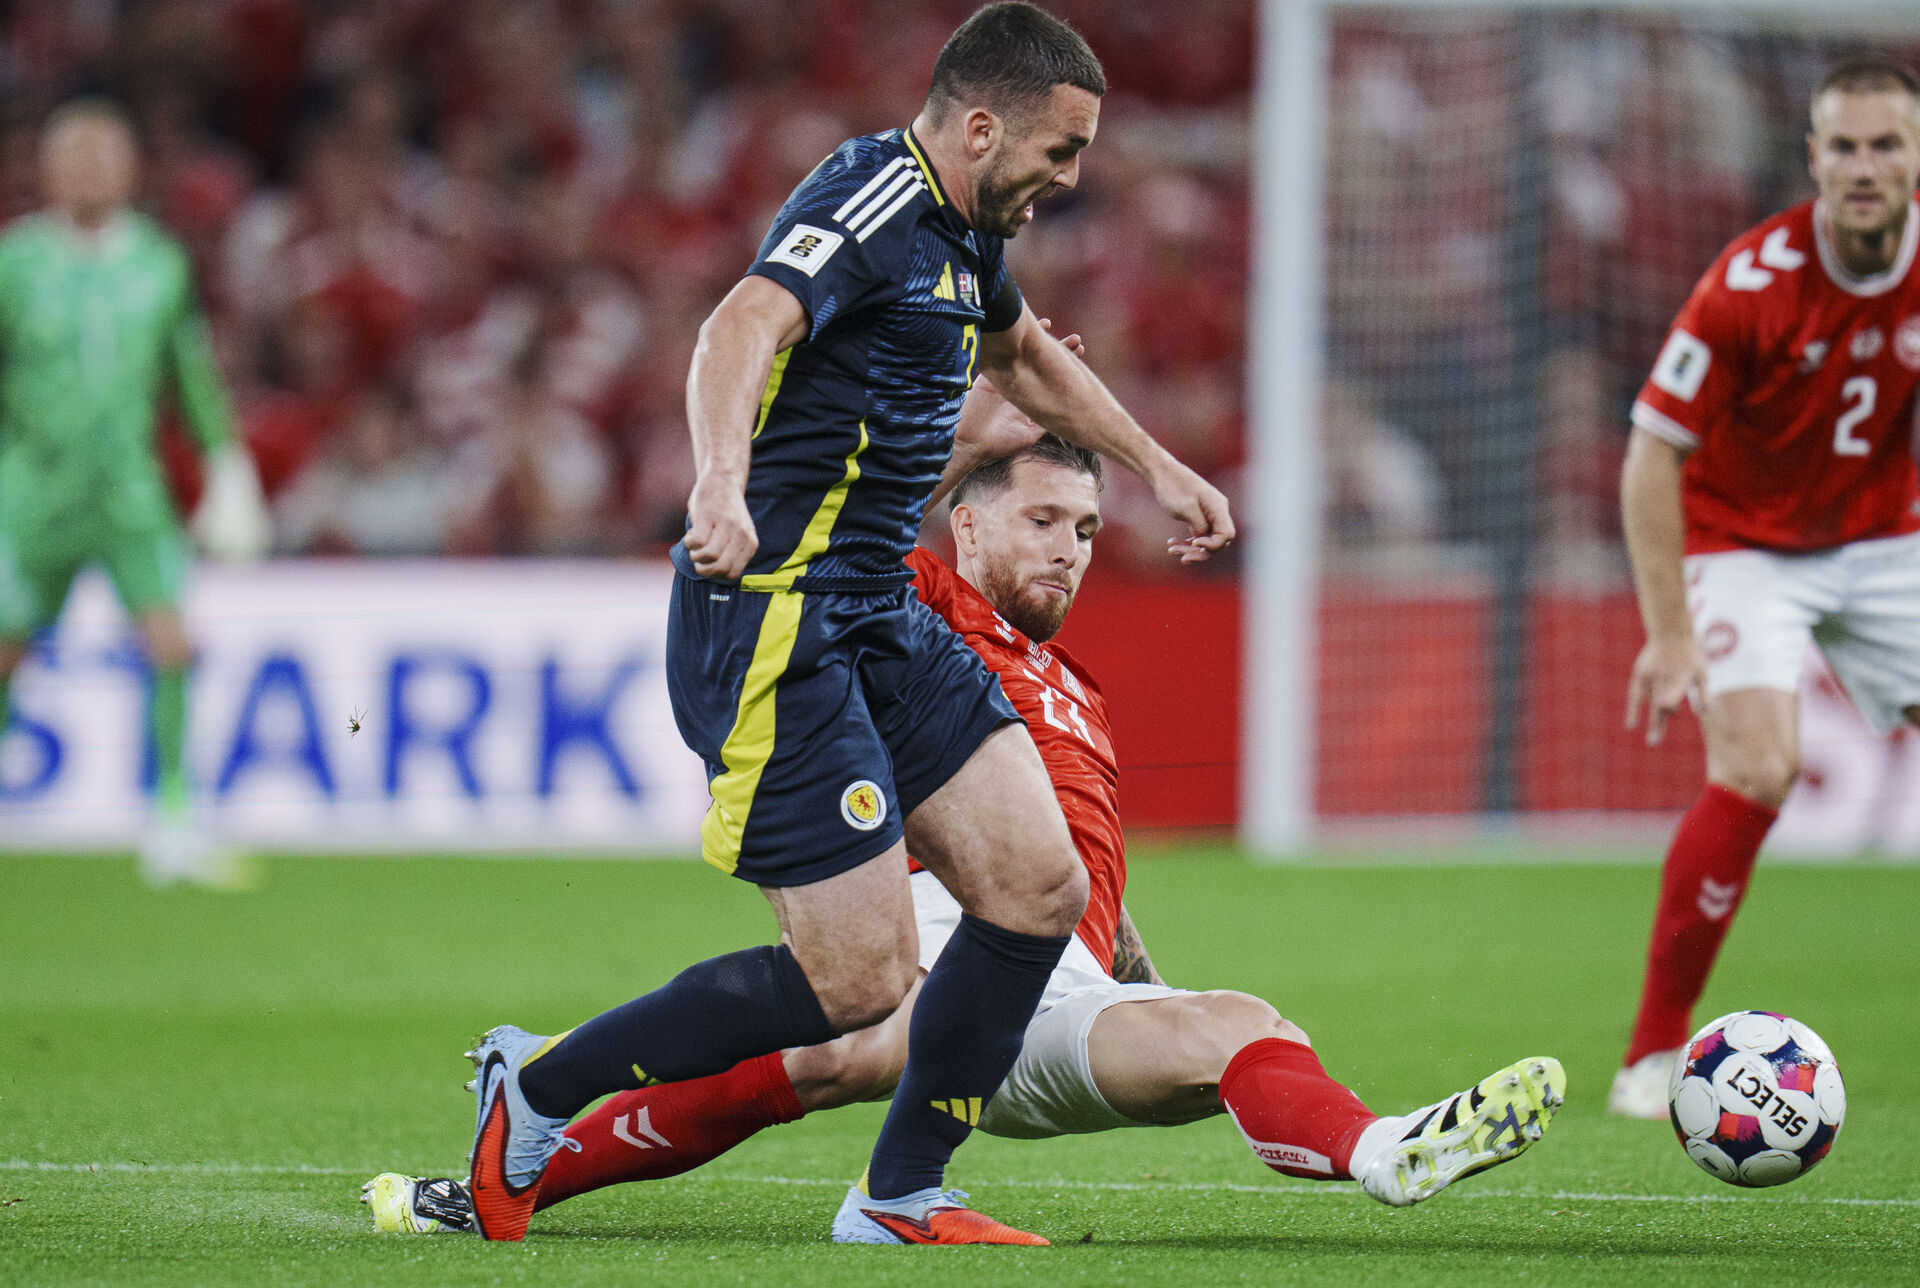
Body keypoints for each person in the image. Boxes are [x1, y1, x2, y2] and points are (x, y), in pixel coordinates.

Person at [364, 428, 1565, 1240]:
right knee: (841, 1049)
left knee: (1239, 1029)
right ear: (970, 530)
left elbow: (1080, 875)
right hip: (950, 927)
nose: (1068, 549)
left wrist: (1142, 974)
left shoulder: (1080, 689)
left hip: (1060, 985)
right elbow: (851, 518)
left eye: (1088, 530)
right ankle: (504, 1163)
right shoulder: (919, 610)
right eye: (1043, 518)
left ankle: (1371, 1144)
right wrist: (996, 399)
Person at [460, 3, 1234, 1245]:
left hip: (881, 610)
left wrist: (1154, 463)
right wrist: (717, 481)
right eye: (1059, 149)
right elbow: (737, 327)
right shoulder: (875, 198)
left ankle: (901, 1193)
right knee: (859, 985)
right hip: (778, 621)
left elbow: (1023, 354)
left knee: (1039, 888)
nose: (1071, 180)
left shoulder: (969, 229)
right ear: (981, 127)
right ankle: (538, 1083)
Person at [1610, 54, 1920, 1117]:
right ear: (1814, 158)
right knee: (1759, 763)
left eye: (1888, 144)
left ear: (1915, 157)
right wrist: (1669, 634)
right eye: (1845, 146)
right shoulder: (1751, 284)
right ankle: (1651, 1055)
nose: (1866, 166)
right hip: (1743, 544)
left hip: (1885, 539)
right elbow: (1651, 453)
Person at [0, 98, 269, 886]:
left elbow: (189, 376)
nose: (88, 172)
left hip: (128, 493)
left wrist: (227, 465)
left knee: (172, 644)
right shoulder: (14, 264)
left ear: (129, 173)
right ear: (45, 171)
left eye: (103, 157)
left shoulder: (159, 263)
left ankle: (175, 820)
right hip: (30, 493)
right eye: (73, 157)